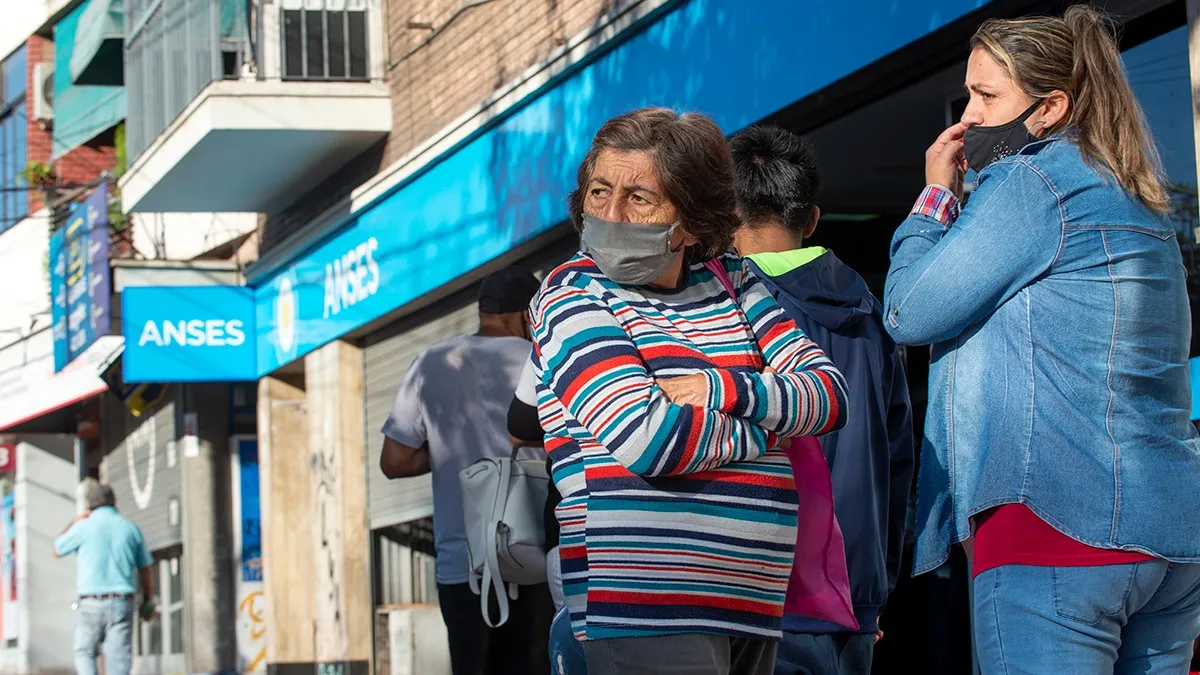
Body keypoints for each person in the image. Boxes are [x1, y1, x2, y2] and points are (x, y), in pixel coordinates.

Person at [884, 6, 1200, 673]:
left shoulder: (1033, 184)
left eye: (986, 96)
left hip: (1054, 525)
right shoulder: (1142, 200)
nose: (968, 116)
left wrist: (935, 198)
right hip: (1171, 535)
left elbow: (910, 311)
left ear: (1050, 108)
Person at [529, 107, 849, 675]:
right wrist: (773, 432)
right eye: (599, 192)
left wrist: (715, 387)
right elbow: (649, 439)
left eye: (639, 198)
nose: (610, 214)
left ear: (693, 222)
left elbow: (827, 395)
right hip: (644, 605)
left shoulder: (733, 281)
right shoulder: (571, 294)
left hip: (752, 601)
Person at [729, 126, 914, 675]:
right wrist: (874, 589)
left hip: (758, 593)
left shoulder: (723, 307)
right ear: (811, 220)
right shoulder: (872, 316)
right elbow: (897, 461)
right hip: (854, 596)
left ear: (723, 214)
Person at [380, 266, 554, 675]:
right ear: (526, 316)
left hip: (463, 566)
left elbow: (395, 461)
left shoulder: (431, 363)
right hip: (534, 558)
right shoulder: (541, 363)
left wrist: (449, 451)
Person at [54, 482, 155, 675]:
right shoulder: (129, 527)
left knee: (84, 652)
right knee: (119, 659)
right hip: (122, 602)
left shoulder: (83, 527)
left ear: (89, 506)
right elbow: (145, 568)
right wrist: (148, 600)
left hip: (90, 603)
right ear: (114, 501)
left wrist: (74, 522)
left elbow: (57, 549)